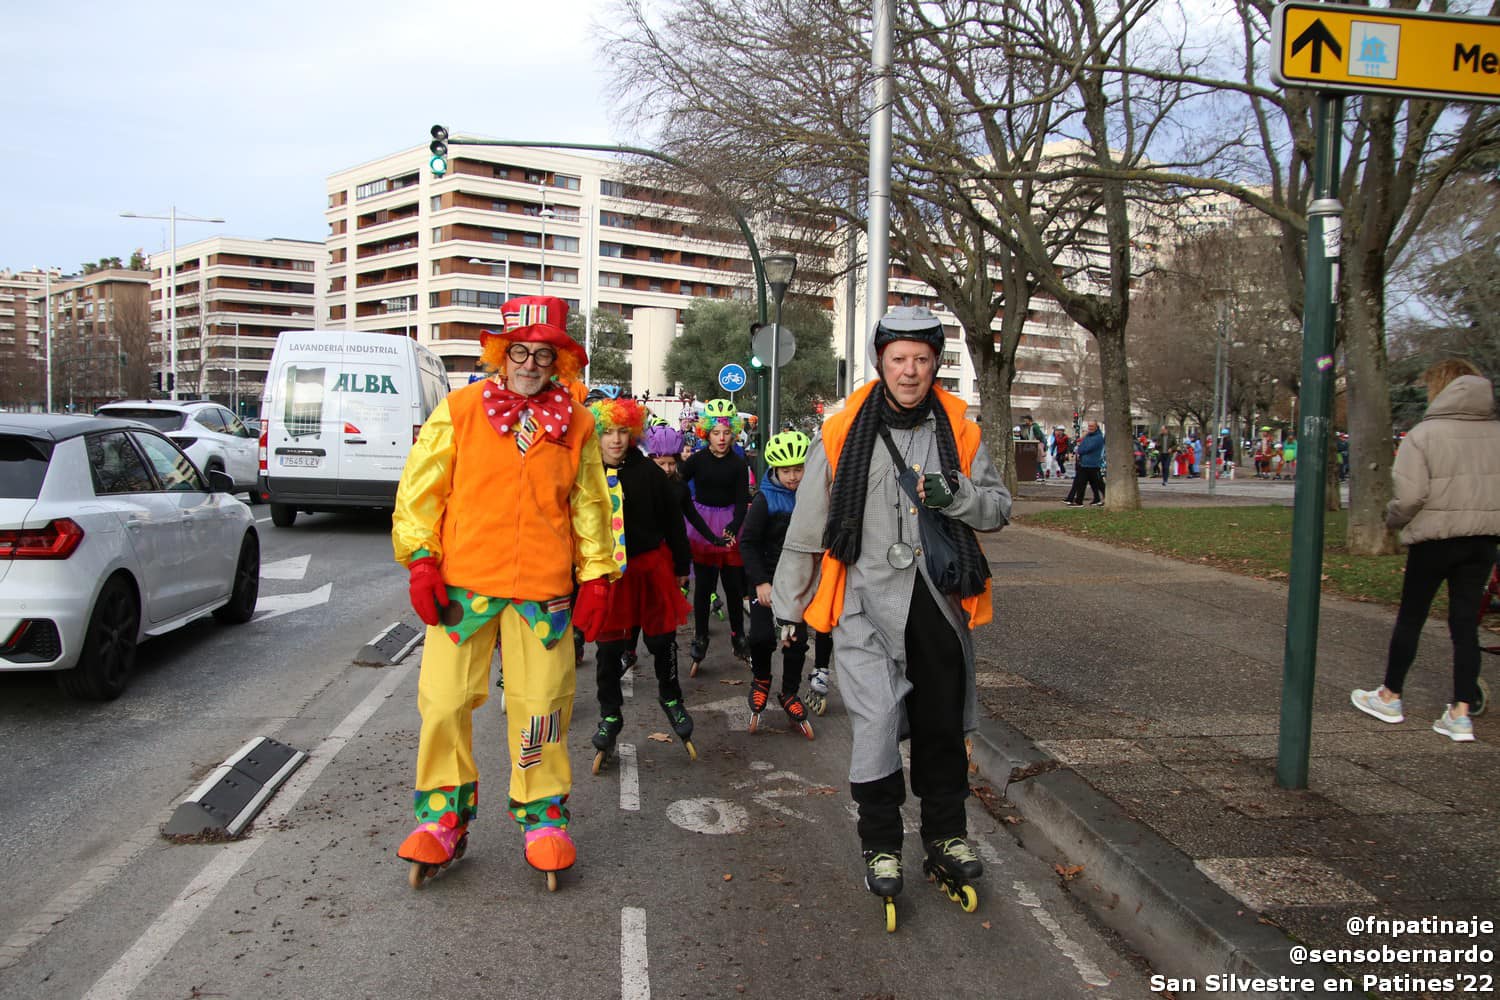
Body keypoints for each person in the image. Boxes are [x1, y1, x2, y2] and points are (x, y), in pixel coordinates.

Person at [772, 306, 1011, 924]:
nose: (910, 371)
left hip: (936, 605)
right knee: (876, 726)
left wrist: (956, 496)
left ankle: (944, 836)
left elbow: (997, 508)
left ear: (935, 365)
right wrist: (789, 606)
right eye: (899, 358)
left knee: (939, 728)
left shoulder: (959, 428)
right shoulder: (840, 429)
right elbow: (807, 528)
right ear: (881, 361)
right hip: (863, 606)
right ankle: (880, 845)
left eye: (922, 360)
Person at [392, 295, 618, 889]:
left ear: (559, 363)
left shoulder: (581, 424)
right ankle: (442, 818)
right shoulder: (460, 408)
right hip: (464, 584)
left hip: (542, 590)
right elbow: (422, 488)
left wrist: (596, 575)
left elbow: (591, 503)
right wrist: (421, 560)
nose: (529, 364)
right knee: (442, 703)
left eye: (544, 355)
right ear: (500, 352)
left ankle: (543, 818)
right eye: (520, 351)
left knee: (541, 709)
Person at [1351, 360, 1500, 743]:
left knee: (1412, 616)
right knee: (1465, 625)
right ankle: (1461, 712)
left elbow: (1411, 495)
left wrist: (1394, 519)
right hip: (1482, 540)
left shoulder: (1425, 435)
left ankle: (1390, 695)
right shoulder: (1495, 433)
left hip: (1434, 538)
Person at [585, 397, 696, 767]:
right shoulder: (585, 472)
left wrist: (682, 563)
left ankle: (671, 697)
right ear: (596, 436)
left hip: (649, 568)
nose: (615, 440)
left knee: (662, 640)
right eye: (607, 433)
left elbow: (673, 521)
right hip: (606, 574)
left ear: (633, 434)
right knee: (609, 651)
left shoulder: (650, 472)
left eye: (622, 432)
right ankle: (610, 714)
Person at [740, 430, 817, 739]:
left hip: (798, 582)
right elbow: (747, 542)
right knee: (761, 637)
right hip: (767, 580)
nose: (793, 477)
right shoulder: (765, 499)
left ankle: (789, 692)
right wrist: (760, 582)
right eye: (787, 471)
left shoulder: (812, 496)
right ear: (775, 470)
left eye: (799, 469)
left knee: (796, 642)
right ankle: (761, 680)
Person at [681, 398, 752, 673]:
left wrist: (734, 526)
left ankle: (739, 636)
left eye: (726, 433)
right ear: (706, 433)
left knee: (734, 587)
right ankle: (700, 637)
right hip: (702, 525)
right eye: (715, 433)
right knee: (703, 589)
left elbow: (742, 498)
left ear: (733, 433)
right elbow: (678, 482)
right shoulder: (697, 460)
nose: (721, 438)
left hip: (730, 522)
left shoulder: (738, 461)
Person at [1064, 420, 1106, 506]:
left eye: (1092, 426)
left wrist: (1081, 449)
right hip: (1084, 463)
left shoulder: (1098, 438)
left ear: (1096, 427)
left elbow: (1086, 448)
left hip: (1093, 464)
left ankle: (1105, 498)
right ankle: (1081, 501)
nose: (1090, 428)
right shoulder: (1088, 436)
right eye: (1089, 426)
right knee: (1084, 483)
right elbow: (1081, 446)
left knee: (1098, 483)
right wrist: (1081, 447)